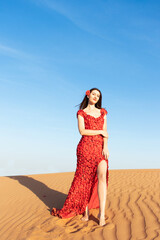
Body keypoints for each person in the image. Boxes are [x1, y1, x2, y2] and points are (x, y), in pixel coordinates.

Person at [51, 88, 109, 226]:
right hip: (85, 149)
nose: (96, 97)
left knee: (102, 176)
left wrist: (105, 146)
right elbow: (82, 131)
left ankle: (102, 214)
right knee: (85, 181)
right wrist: (100, 130)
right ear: (88, 95)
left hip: (100, 149)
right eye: (94, 94)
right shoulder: (81, 113)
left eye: (98, 95)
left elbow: (106, 132)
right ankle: (86, 212)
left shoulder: (103, 112)